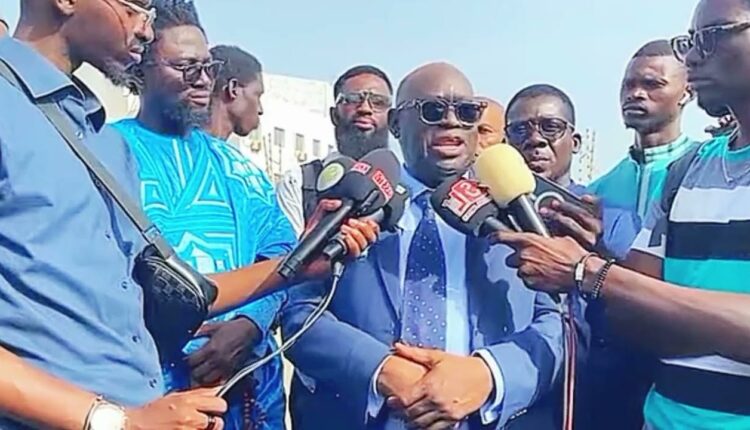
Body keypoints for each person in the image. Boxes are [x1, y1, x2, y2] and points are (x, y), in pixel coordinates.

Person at [495, 1, 750, 427]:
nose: (692, 56)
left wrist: (588, 271)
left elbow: (633, 295)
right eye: (689, 42)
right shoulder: (686, 172)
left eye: (711, 36)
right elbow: (633, 319)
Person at [281, 62, 563, 430]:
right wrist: (382, 370)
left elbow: (555, 322)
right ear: (396, 123)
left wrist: (489, 374)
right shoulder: (352, 199)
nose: (452, 122)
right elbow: (300, 311)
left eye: (467, 112)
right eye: (432, 110)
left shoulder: (516, 212)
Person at [0, 0, 230, 428]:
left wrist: (297, 268)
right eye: (136, 7)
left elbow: (145, 289)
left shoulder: (107, 143)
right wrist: (117, 421)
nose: (147, 29)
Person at [112, 4, 295, 429]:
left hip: (246, 390)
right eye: (185, 67)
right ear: (140, 71)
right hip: (149, 395)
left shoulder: (239, 167)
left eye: (207, 67)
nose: (202, 79)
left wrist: (251, 322)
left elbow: (284, 252)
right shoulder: (107, 151)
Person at [505, 84, 644, 429]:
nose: (535, 140)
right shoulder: (491, 222)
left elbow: (642, 305)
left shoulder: (615, 219)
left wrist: (599, 254)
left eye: (550, 127)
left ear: (576, 141)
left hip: (601, 402)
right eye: (520, 130)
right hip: (514, 402)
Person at [276, 65, 393, 236]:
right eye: (352, 99)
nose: (365, 109)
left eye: (378, 102)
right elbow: (282, 251)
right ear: (334, 115)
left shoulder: (406, 190)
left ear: (392, 118)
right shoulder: (298, 181)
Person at [589, 39, 698, 222]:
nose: (635, 94)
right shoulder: (597, 192)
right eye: (628, 85)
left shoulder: (707, 171)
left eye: (652, 84)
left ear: (687, 93)